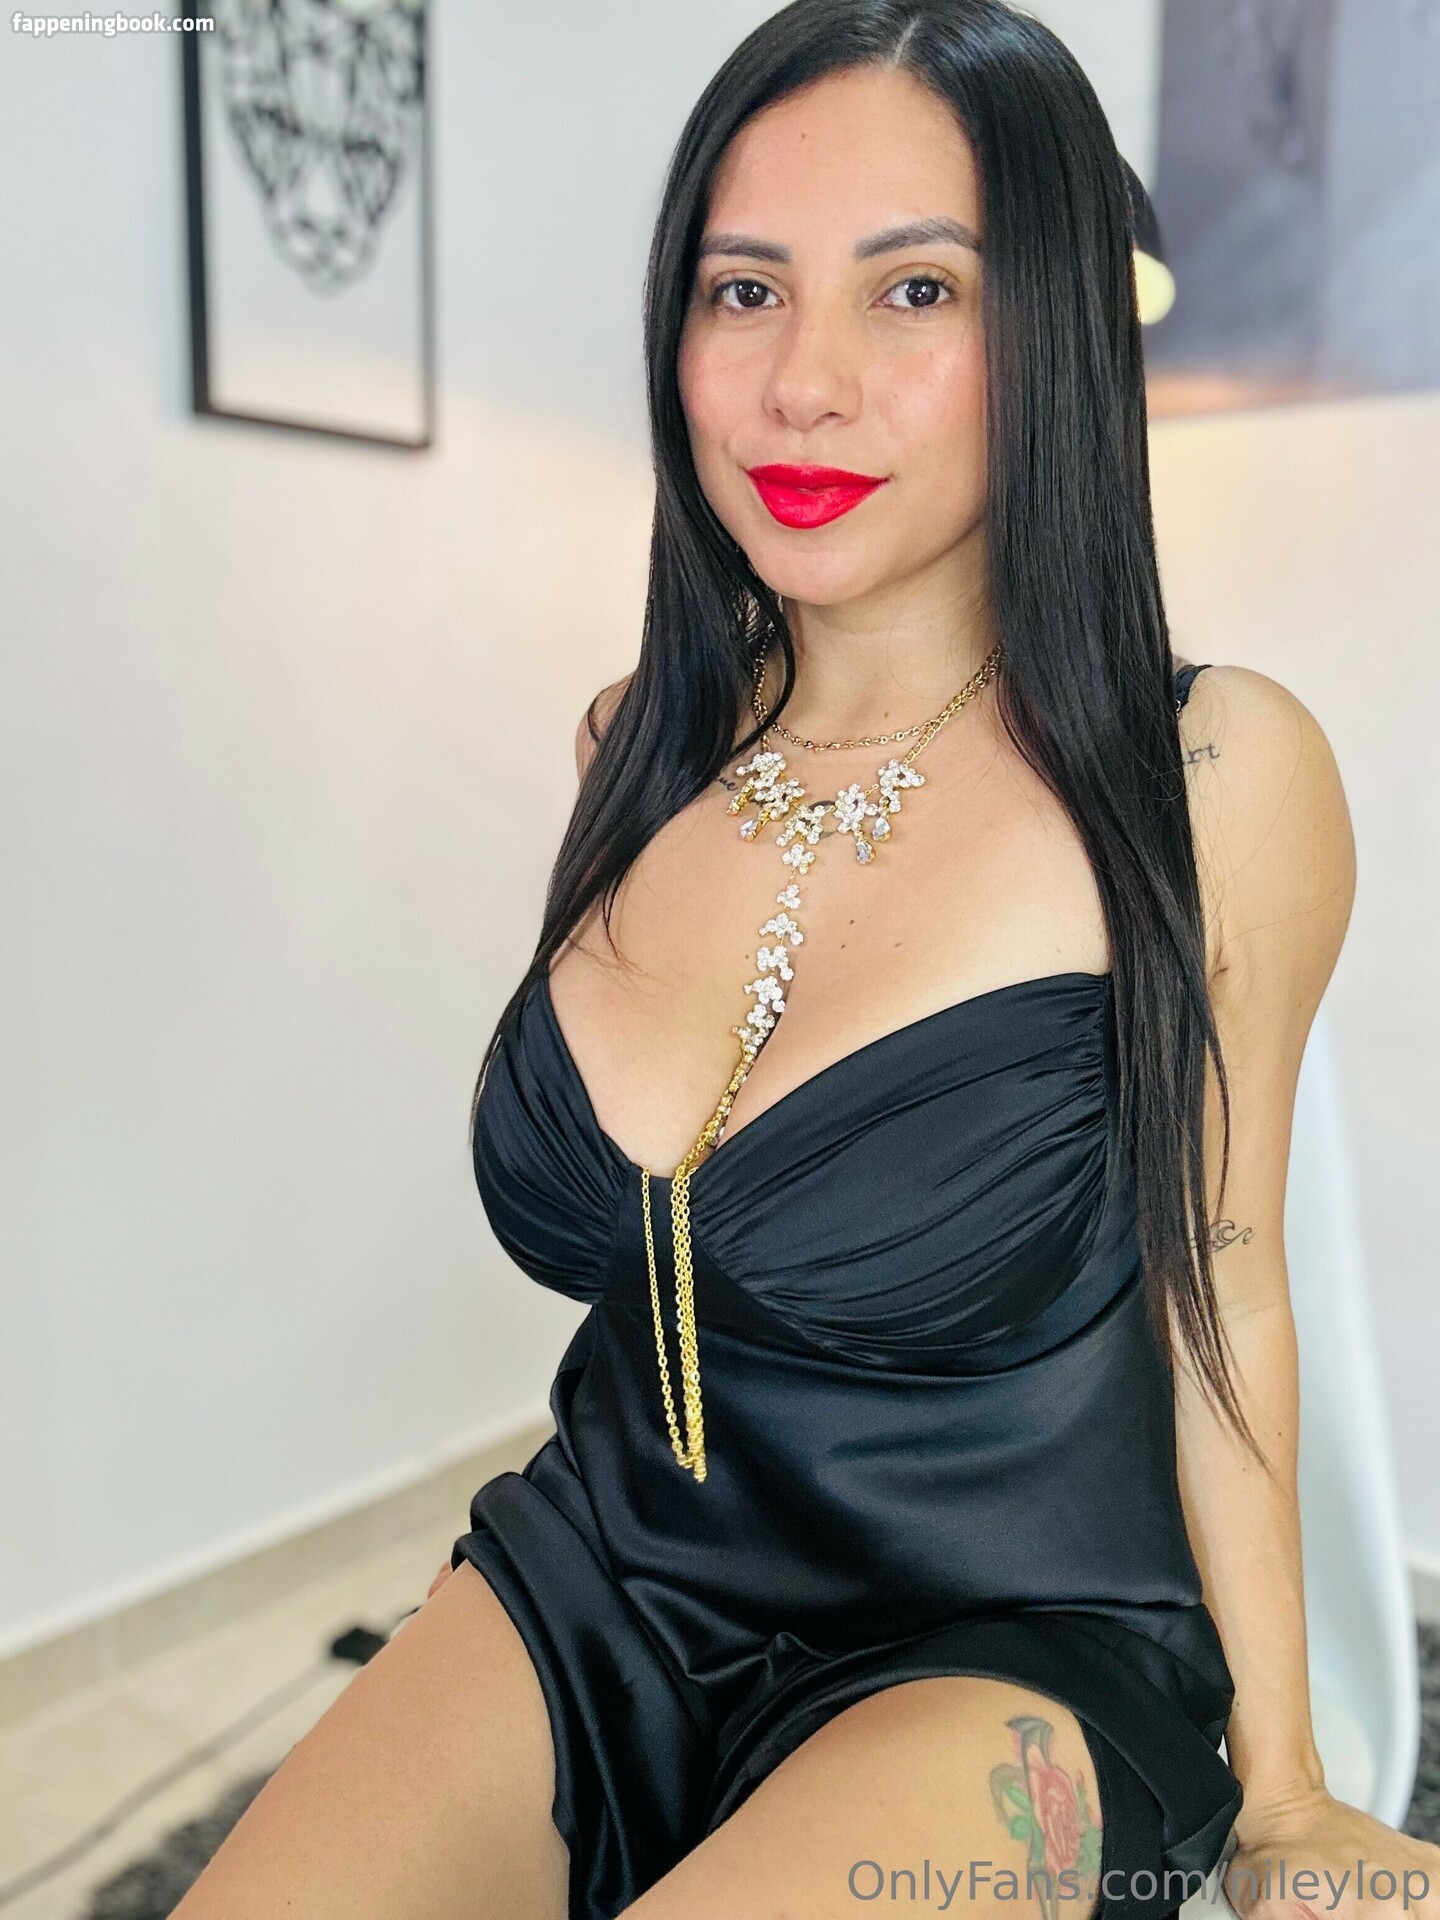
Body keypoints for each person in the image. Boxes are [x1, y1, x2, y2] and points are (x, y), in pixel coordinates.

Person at [172, 5, 1439, 1920]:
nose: (803, 386)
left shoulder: (1213, 773)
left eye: (915, 291)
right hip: (604, 1573)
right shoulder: (633, 748)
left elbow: (1230, 1298)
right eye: (743, 289)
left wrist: (1287, 1798)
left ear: (1055, 331)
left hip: (1007, 1648)